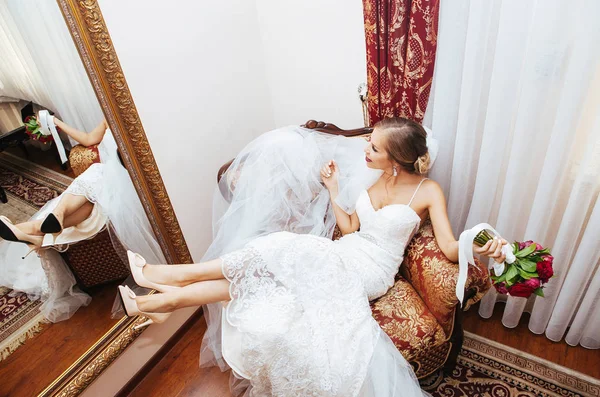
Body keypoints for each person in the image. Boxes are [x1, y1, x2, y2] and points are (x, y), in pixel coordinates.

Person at [119, 118, 507, 396]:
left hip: (368, 272)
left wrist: (480, 243)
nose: (364, 149)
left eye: (373, 147)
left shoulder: (428, 191)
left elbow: (451, 246)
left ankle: (166, 276)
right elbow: (352, 227)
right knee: (252, 281)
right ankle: (161, 300)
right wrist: (334, 187)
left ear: (395, 159)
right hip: (341, 252)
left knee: (279, 249)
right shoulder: (373, 178)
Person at [0, 113, 164, 322]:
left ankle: (37, 227)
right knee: (89, 198)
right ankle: (47, 225)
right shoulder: (111, 112)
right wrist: (56, 122)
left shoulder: (141, 120)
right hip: (100, 192)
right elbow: (88, 140)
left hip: (126, 188)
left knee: (95, 173)